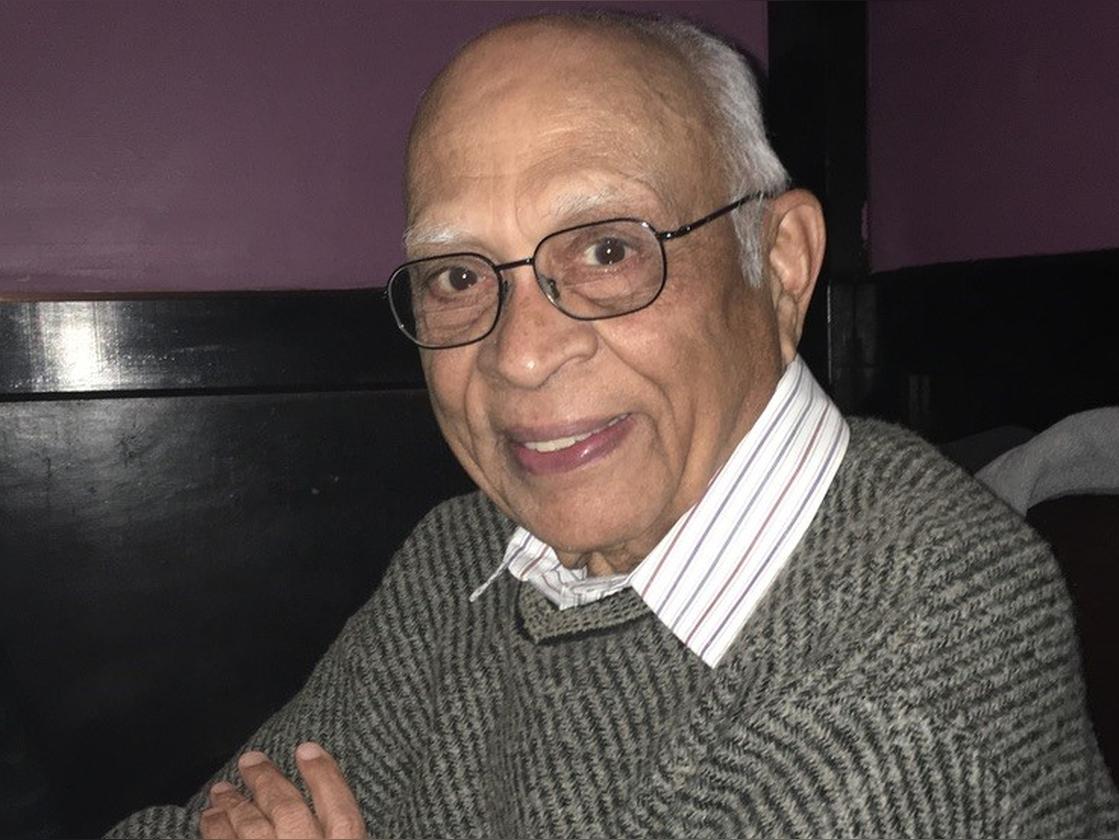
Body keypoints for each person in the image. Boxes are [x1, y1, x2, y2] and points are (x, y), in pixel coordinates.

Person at [109, 11, 1119, 839]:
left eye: (605, 251)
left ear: (781, 266)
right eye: (457, 276)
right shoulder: (469, 557)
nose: (519, 355)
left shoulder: (915, 672)